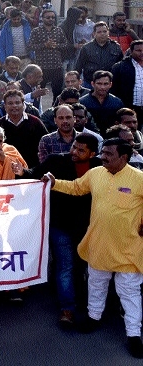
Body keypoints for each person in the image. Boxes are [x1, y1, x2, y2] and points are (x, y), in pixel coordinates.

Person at [44, 139, 143, 358]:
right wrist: (54, 182)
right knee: (97, 283)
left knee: (129, 291)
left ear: (124, 158)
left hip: (129, 247)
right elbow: (77, 188)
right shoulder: (96, 173)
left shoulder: (139, 178)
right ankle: (93, 318)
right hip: (99, 242)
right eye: (103, 152)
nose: (103, 157)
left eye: (109, 154)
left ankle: (134, 335)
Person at [33, 134, 100, 328]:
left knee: (91, 269)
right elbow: (32, 175)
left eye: (81, 150)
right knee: (65, 267)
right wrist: (21, 171)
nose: (74, 152)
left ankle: (93, 309)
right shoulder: (56, 161)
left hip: (89, 227)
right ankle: (67, 309)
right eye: (73, 147)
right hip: (61, 226)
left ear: (92, 153)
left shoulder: (101, 168)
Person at [75, 22, 124, 88]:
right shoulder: (86, 48)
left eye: (104, 31)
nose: (102, 34)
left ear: (108, 32)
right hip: (90, 84)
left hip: (110, 85)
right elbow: (78, 67)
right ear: (94, 34)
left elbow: (122, 66)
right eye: (99, 32)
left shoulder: (116, 47)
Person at [111, 39, 143, 123]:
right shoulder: (120, 67)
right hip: (128, 108)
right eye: (138, 50)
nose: (142, 53)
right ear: (131, 51)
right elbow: (114, 89)